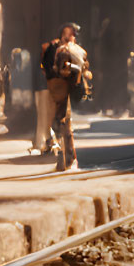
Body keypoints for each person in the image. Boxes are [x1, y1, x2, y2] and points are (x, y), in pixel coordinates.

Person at [47, 31, 89, 172]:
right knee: (64, 126)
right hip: (68, 89)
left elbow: (64, 69)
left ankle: (67, 160)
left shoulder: (66, 51)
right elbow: (84, 69)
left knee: (63, 125)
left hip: (66, 90)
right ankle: (66, 160)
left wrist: (71, 71)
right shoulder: (76, 51)